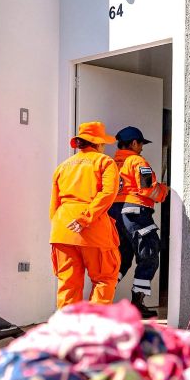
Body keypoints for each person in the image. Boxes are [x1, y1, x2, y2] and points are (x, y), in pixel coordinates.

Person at [49, 121, 121, 309]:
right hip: (92, 228)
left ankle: (67, 331)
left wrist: (60, 228)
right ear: (97, 144)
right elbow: (108, 193)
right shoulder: (105, 162)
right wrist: (85, 218)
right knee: (104, 278)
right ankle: (95, 328)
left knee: (68, 283)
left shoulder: (63, 166)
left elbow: (54, 204)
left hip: (62, 230)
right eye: (103, 143)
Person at [109, 126, 169, 318]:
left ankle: (101, 300)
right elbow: (147, 189)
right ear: (134, 143)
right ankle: (137, 304)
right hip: (135, 214)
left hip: (115, 217)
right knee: (149, 254)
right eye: (141, 143)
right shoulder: (136, 161)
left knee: (122, 259)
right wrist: (165, 191)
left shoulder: (110, 163)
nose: (142, 148)